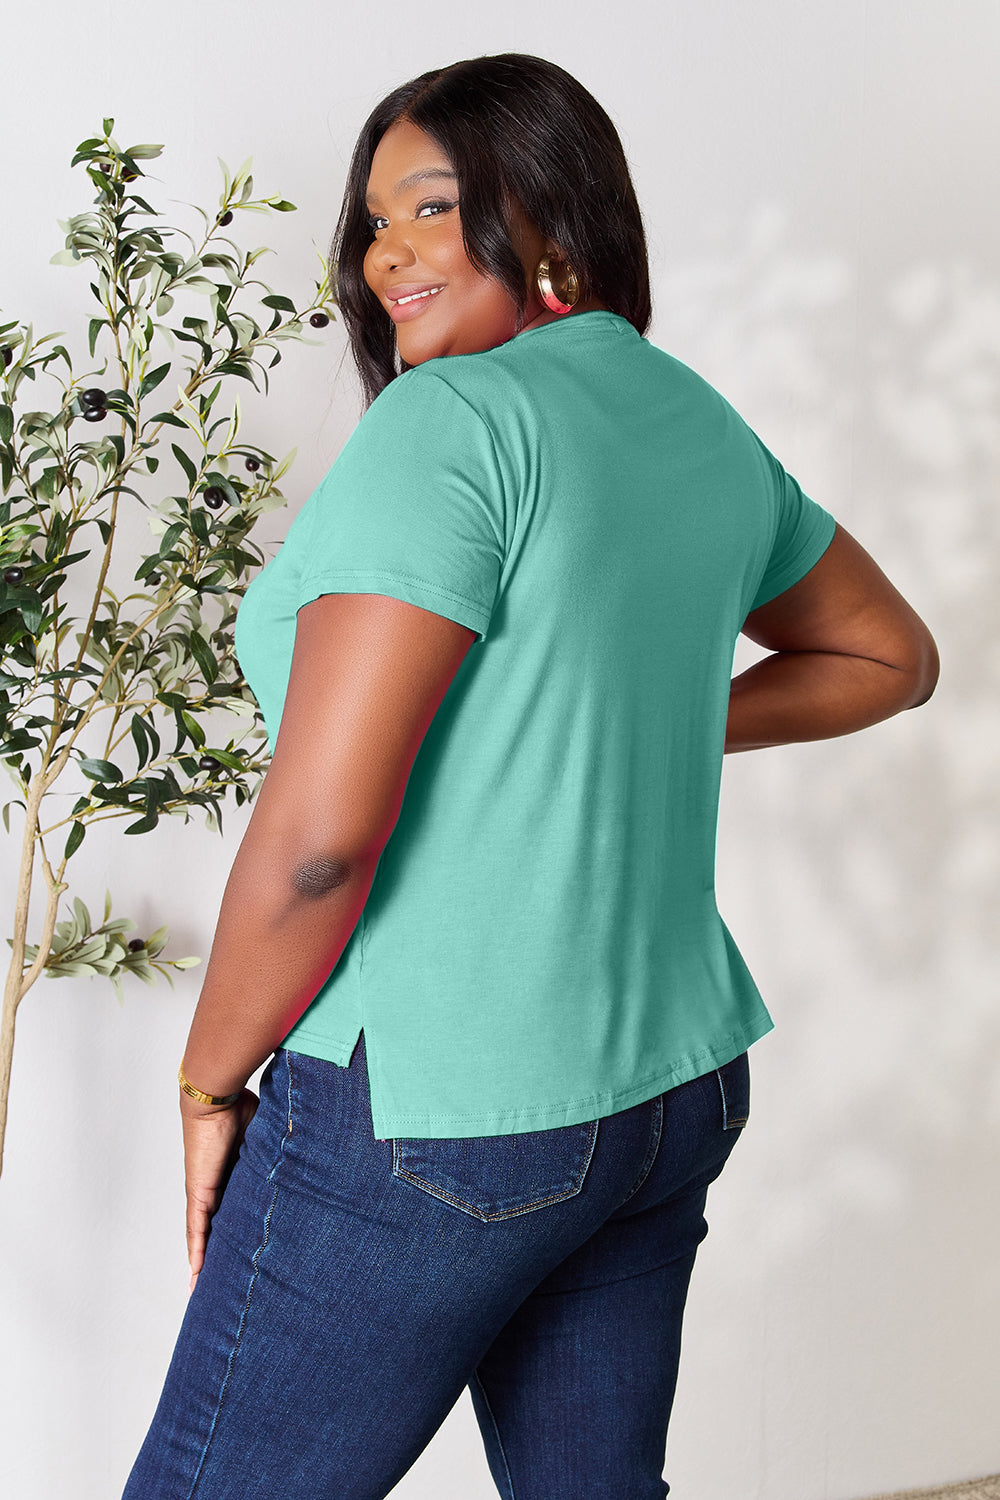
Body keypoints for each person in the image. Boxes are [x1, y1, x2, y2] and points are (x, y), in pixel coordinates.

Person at [122, 52, 939, 1500]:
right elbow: (887, 654)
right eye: (374, 223)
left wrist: (208, 1082)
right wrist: (628, 720)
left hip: (439, 1117)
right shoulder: (687, 416)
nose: (387, 256)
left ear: (549, 218)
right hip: (667, 1092)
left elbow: (320, 844)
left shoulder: (451, 429)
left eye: (430, 208)